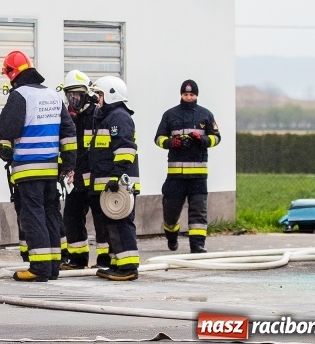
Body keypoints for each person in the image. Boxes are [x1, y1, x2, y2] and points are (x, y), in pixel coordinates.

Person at [0, 50, 76, 282]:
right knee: (51, 214)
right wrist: (69, 163)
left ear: (13, 73)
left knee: (33, 216)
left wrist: (5, 148)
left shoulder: (20, 95)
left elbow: (8, 127)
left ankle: (39, 268)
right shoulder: (54, 96)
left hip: (27, 168)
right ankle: (52, 267)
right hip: (51, 169)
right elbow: (68, 132)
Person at [154, 79, 221, 254]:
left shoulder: (206, 115)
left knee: (198, 213)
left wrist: (203, 140)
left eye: (192, 94)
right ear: (181, 95)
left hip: (198, 177)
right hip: (175, 177)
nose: (189, 97)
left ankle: (197, 245)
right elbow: (158, 138)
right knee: (170, 213)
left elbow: (217, 138)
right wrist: (171, 142)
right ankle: (171, 235)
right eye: (186, 94)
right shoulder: (170, 115)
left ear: (196, 95)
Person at [88, 76, 141, 281]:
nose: (97, 100)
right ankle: (118, 263)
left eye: (100, 95)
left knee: (122, 225)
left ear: (110, 95)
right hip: (111, 186)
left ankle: (128, 267)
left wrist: (117, 177)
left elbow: (126, 149)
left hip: (120, 185)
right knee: (113, 226)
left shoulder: (119, 117)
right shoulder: (109, 118)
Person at [59, 70, 111, 270]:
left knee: (101, 220)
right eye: (70, 96)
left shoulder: (99, 115)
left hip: (97, 180)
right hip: (77, 180)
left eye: (77, 95)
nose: (74, 100)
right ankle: (78, 259)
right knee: (71, 217)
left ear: (87, 94)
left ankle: (105, 260)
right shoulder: (70, 118)